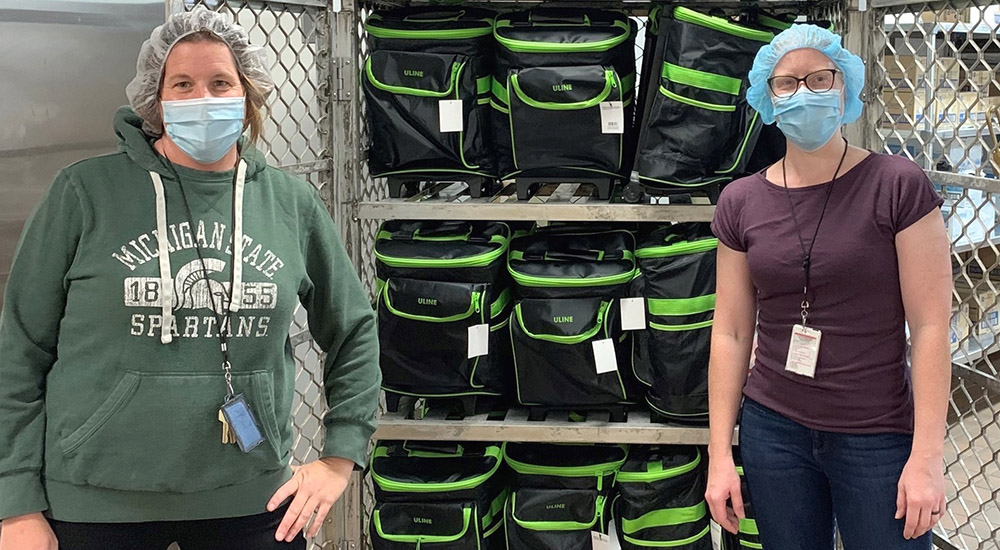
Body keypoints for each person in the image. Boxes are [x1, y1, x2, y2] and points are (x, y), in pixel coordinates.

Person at [0, 7, 381, 550]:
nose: (203, 97)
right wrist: (14, 503)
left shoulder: (289, 202)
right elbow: (20, 348)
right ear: (156, 101)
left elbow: (353, 330)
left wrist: (341, 457)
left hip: (254, 499)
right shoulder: (83, 194)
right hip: (93, 504)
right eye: (183, 84)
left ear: (248, 96)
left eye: (220, 82)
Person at [705, 24, 950, 550]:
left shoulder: (897, 185)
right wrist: (720, 455)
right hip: (774, 433)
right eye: (787, 84)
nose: (804, 92)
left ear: (846, 86)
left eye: (820, 78)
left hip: (877, 437)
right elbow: (728, 331)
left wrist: (927, 457)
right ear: (766, 99)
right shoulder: (741, 201)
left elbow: (931, 326)